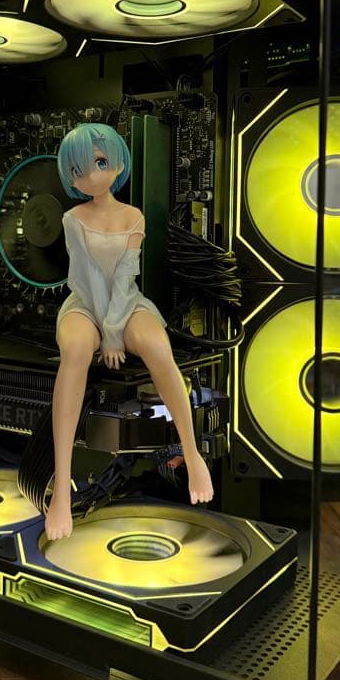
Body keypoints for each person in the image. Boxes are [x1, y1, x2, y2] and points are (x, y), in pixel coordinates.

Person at [45, 122, 214, 540]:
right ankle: (61, 486)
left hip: (128, 302)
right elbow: (87, 278)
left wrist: (116, 330)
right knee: (76, 351)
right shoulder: (71, 219)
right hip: (84, 304)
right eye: (79, 171)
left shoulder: (133, 217)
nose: (91, 176)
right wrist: (104, 331)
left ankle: (192, 453)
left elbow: (124, 276)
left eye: (100, 163)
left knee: (157, 346)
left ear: (118, 163)